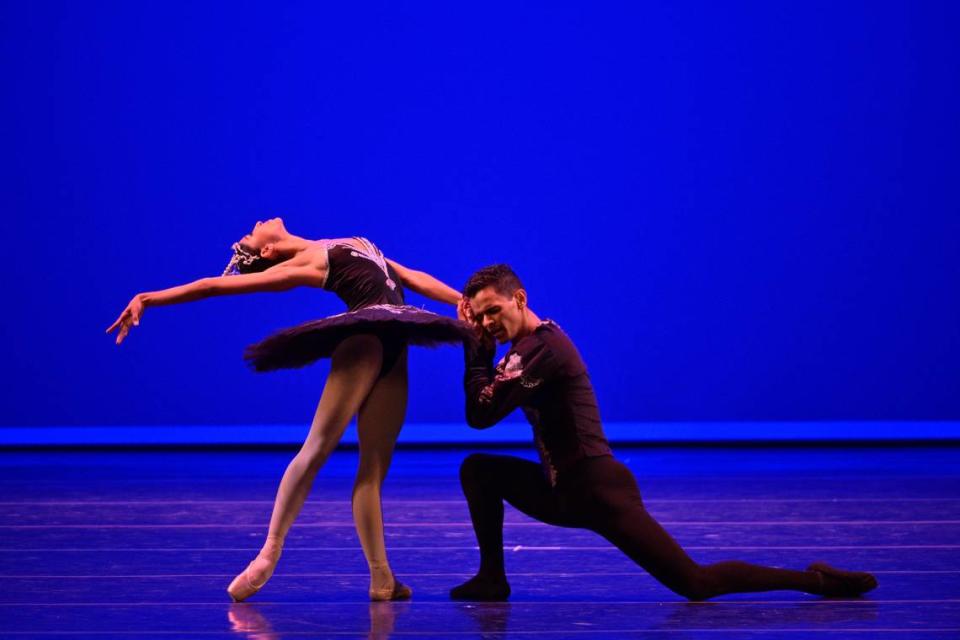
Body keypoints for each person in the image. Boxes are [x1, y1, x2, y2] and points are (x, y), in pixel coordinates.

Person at [450, 263, 879, 601]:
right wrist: (481, 350)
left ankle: (816, 580)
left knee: (695, 583)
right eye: (481, 316)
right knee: (479, 470)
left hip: (599, 492)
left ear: (519, 299)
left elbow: (480, 414)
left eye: (494, 311)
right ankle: (492, 580)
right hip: (563, 489)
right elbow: (483, 408)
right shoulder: (528, 349)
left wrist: (476, 351)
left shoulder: (541, 350)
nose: (488, 322)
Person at [107, 218, 471, 602]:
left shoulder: (342, 241)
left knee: (374, 468)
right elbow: (212, 286)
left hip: (396, 345)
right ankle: (269, 551)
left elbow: (409, 276)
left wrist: (461, 302)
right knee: (317, 448)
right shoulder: (303, 263)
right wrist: (148, 298)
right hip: (364, 341)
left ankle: (382, 577)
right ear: (266, 251)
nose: (255, 224)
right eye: (250, 234)